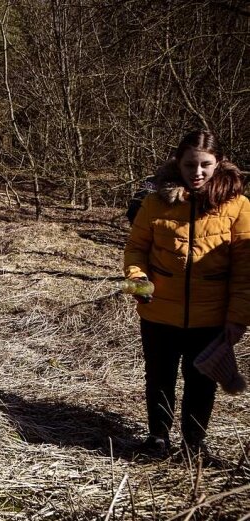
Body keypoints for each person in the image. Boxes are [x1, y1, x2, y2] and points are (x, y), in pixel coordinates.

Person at [123, 129, 250, 462]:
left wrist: (238, 318)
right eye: (189, 164)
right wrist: (138, 281)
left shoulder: (237, 206)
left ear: (218, 163)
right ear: (177, 163)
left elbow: (244, 271)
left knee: (201, 382)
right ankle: (157, 440)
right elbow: (136, 249)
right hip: (159, 313)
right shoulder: (154, 201)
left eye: (205, 165)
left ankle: (194, 446)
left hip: (210, 317)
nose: (197, 173)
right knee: (159, 378)